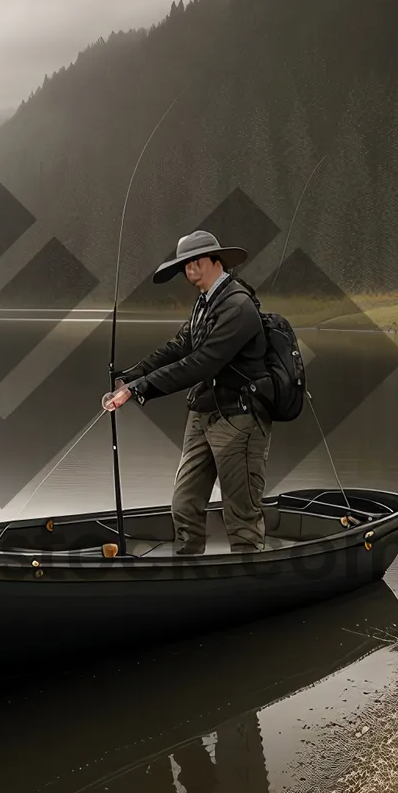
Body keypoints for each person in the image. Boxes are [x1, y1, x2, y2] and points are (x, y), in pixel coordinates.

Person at [103, 229, 274, 554]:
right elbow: (181, 346)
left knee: (241, 515)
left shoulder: (238, 307)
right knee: (184, 505)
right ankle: (187, 575)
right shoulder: (205, 303)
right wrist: (132, 375)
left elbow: (201, 363)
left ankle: (247, 584)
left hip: (239, 420)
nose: (189, 270)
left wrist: (141, 389)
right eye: (185, 264)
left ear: (215, 261)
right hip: (203, 415)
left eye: (195, 262)